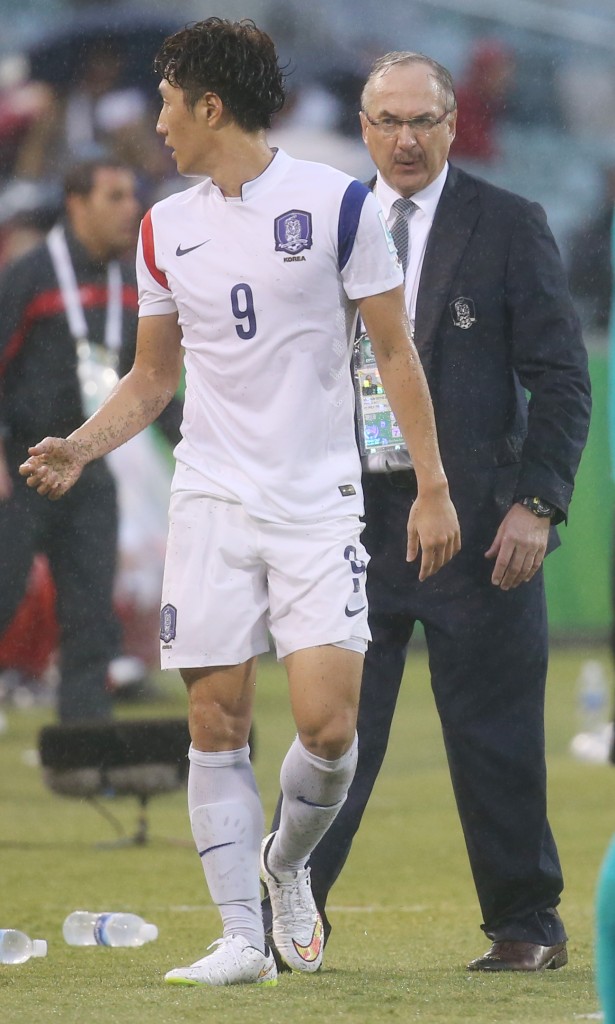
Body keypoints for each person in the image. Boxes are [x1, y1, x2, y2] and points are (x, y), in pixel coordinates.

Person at [19, 19, 460, 989]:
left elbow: (394, 353)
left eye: (169, 101)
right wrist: (83, 449)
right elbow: (150, 379)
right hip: (214, 494)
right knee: (215, 720)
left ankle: (286, 863)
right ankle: (239, 938)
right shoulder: (163, 227)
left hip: (318, 498)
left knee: (328, 727)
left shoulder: (340, 205)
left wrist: (432, 485)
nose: (159, 122)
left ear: (209, 103)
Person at [264, 51, 592, 973]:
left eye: (422, 121)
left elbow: (561, 381)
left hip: (480, 523)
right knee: (331, 735)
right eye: (386, 122)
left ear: (453, 125)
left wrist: (536, 502)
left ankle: (526, 926)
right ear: (362, 129)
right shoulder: (324, 225)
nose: (405, 139)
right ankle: (289, 915)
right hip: (347, 519)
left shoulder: (508, 223)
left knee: (493, 735)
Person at [0, 157, 143, 722]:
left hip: (88, 469)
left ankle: (86, 752)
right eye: (115, 195)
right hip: (19, 467)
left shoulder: (133, 283)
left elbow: (145, 383)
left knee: (91, 618)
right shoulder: (29, 276)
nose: (130, 207)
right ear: (77, 203)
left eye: (131, 194)